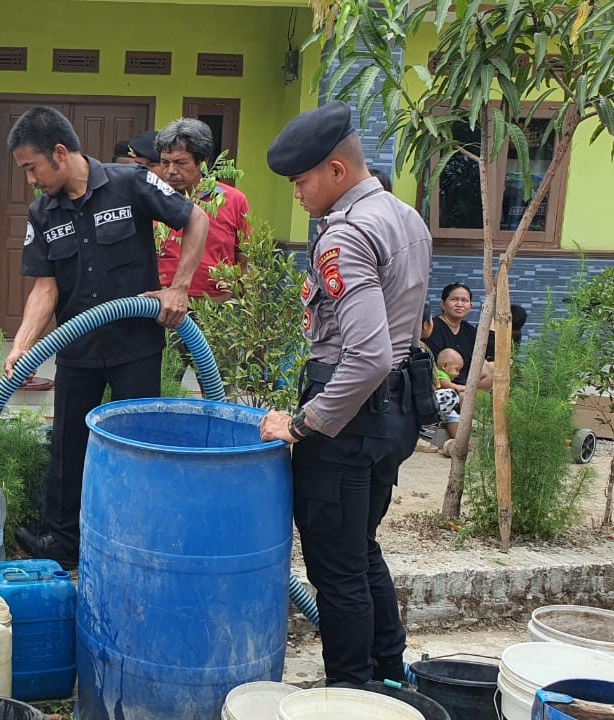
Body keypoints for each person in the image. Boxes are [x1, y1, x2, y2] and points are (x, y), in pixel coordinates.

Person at [258, 101, 431, 686]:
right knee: (361, 549)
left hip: (347, 424)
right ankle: (389, 675)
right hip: (391, 419)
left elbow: (367, 355)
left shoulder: (345, 238)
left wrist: (305, 424)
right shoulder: (404, 216)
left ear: (336, 170)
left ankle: (351, 691)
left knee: (337, 571)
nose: (298, 194)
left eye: (302, 181)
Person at [3, 106, 211, 568]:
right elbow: (45, 287)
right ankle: (64, 545)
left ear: (59, 152)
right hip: (77, 351)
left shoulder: (130, 183)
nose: (30, 180)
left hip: (135, 347)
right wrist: (21, 344)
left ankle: (135, 540)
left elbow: (195, 219)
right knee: (67, 449)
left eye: (31, 168)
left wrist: (179, 287)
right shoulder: (42, 212)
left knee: (137, 446)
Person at [154, 118, 251, 302]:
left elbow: (246, 259)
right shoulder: (151, 199)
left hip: (216, 309)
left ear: (203, 162)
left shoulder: (233, 200)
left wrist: (246, 305)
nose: (171, 171)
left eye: (180, 163)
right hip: (158, 304)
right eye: (165, 162)